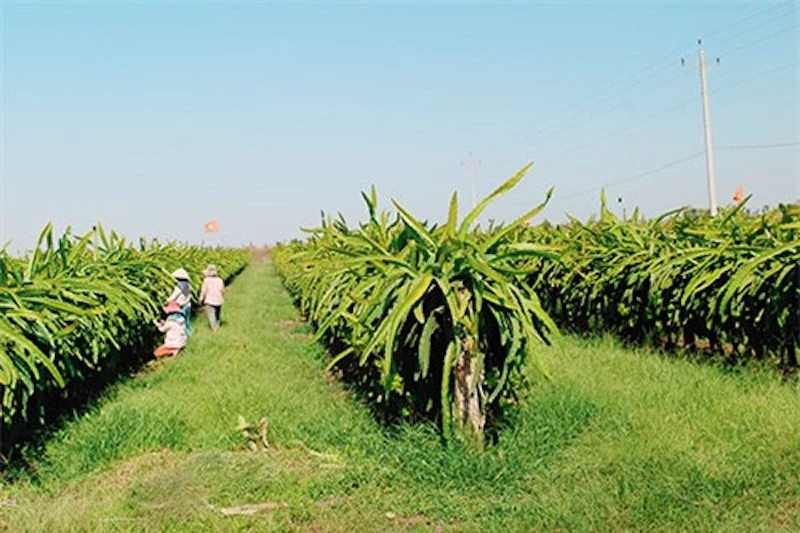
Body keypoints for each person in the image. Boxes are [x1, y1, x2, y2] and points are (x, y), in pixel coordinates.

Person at [166, 267, 193, 336]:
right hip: (188, 305)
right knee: (187, 322)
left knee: (179, 322)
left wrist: (166, 301)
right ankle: (189, 334)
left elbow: (173, 297)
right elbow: (190, 296)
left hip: (179, 307)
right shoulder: (189, 285)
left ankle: (182, 337)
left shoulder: (179, 286)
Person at [199, 264, 225, 331]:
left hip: (210, 300)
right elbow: (222, 291)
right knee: (217, 314)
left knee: (211, 315)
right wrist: (221, 297)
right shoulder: (220, 280)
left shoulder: (206, 280)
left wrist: (201, 299)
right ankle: (217, 325)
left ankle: (214, 329)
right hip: (218, 300)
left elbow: (203, 290)